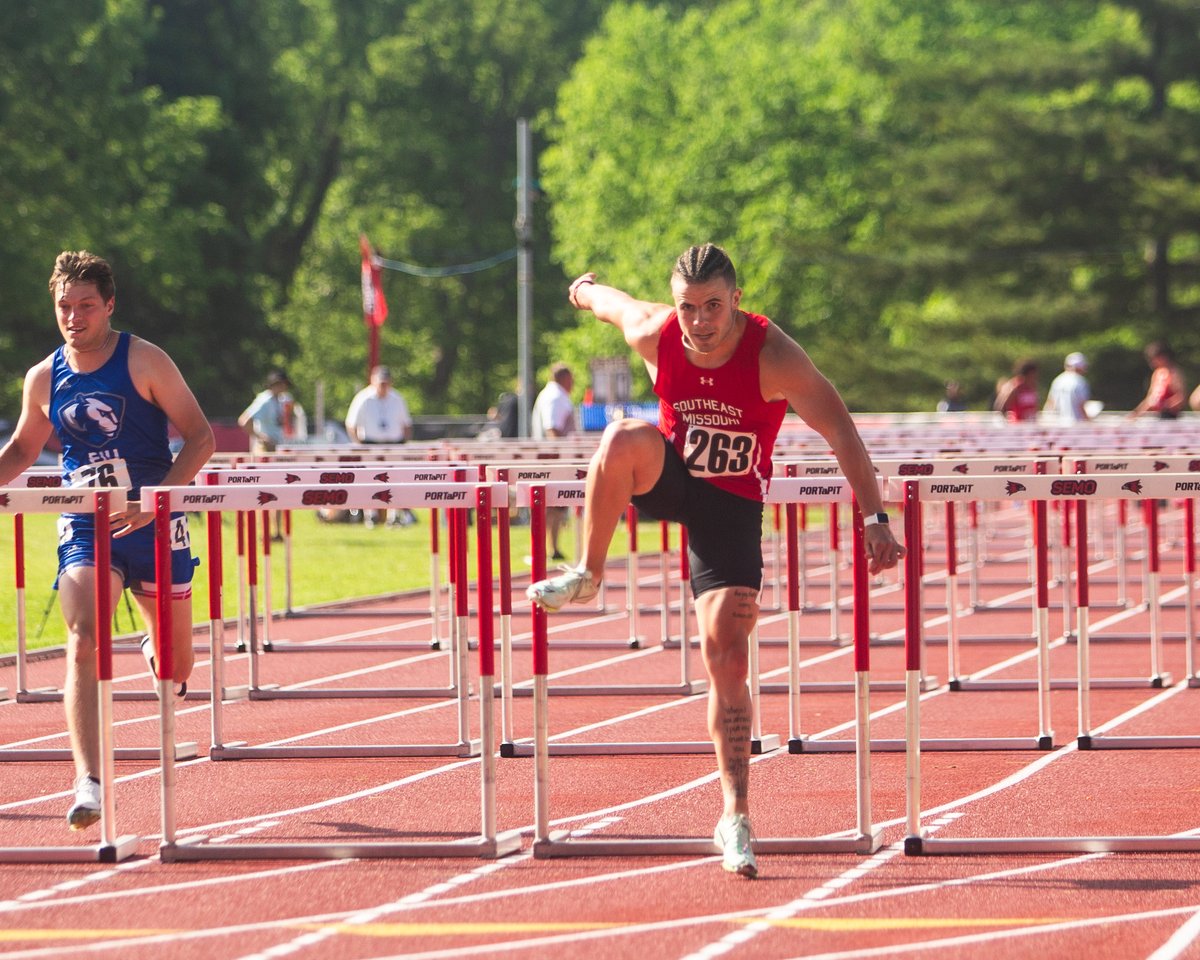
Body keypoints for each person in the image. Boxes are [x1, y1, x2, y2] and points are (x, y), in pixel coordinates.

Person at [525, 244, 904, 879]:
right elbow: (608, 304)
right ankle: (588, 573)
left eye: (712, 307)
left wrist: (874, 519)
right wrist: (583, 288)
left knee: (725, 648)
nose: (699, 322)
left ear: (736, 300)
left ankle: (735, 815)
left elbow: (841, 430)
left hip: (730, 509)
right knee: (621, 438)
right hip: (672, 477)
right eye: (688, 308)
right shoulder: (656, 331)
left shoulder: (774, 356)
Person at [0, 251, 214, 831]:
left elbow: (199, 438)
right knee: (83, 637)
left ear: (109, 305)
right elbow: (24, 449)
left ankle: (156, 652)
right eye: (64, 307)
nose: (74, 317)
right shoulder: (44, 377)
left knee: (177, 664)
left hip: (152, 516)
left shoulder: (144, 359)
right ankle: (89, 780)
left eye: (86, 306)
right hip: (85, 520)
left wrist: (157, 498)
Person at [344, 365, 415, 526]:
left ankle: (393, 515)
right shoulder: (363, 398)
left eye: (386, 383)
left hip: (394, 444)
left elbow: (407, 424)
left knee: (395, 480)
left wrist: (404, 443)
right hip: (370, 444)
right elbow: (351, 424)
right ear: (373, 381)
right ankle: (371, 514)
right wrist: (359, 444)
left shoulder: (397, 398)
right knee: (371, 480)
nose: (384, 386)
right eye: (381, 383)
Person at [531, 363, 576, 560]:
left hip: (550, 456)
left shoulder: (550, 394)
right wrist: (560, 457)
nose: (573, 384)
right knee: (552, 504)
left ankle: (550, 547)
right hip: (553, 457)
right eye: (571, 379)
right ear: (565, 378)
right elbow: (552, 429)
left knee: (554, 505)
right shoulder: (555, 397)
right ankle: (548, 548)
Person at [238, 369, 307, 453]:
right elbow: (244, 421)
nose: (285, 387)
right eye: (283, 384)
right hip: (264, 449)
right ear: (275, 384)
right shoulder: (264, 400)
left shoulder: (284, 399)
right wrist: (263, 438)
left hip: (278, 446)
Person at [1130, 341, 1186, 419]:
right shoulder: (1157, 374)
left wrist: (1166, 406)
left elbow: (1181, 398)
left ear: (1163, 357)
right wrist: (1137, 413)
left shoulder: (1174, 373)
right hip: (1157, 415)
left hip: (1169, 416)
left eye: (1154, 359)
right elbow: (1151, 399)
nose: (1152, 362)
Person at [1043, 352, 1093, 424]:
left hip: (1059, 424)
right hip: (1076, 424)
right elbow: (1081, 405)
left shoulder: (1058, 380)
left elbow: (1050, 403)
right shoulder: (1080, 381)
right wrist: (1088, 421)